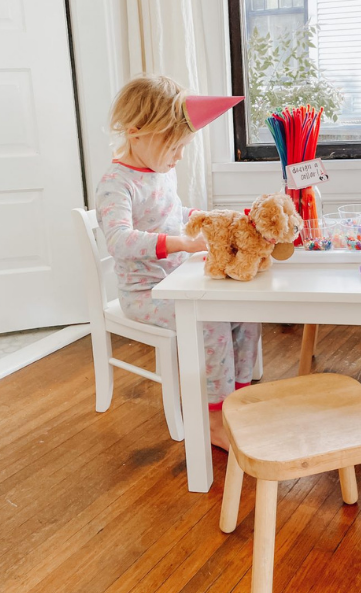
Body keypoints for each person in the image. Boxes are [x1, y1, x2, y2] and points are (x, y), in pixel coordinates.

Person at [95, 74, 257, 450]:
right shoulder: (116, 183)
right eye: (174, 146)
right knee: (212, 324)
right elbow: (119, 240)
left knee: (245, 310)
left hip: (178, 280)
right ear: (137, 132)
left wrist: (207, 218)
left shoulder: (161, 171)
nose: (179, 156)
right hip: (145, 293)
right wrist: (181, 242)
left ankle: (240, 399)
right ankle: (213, 418)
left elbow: (172, 212)